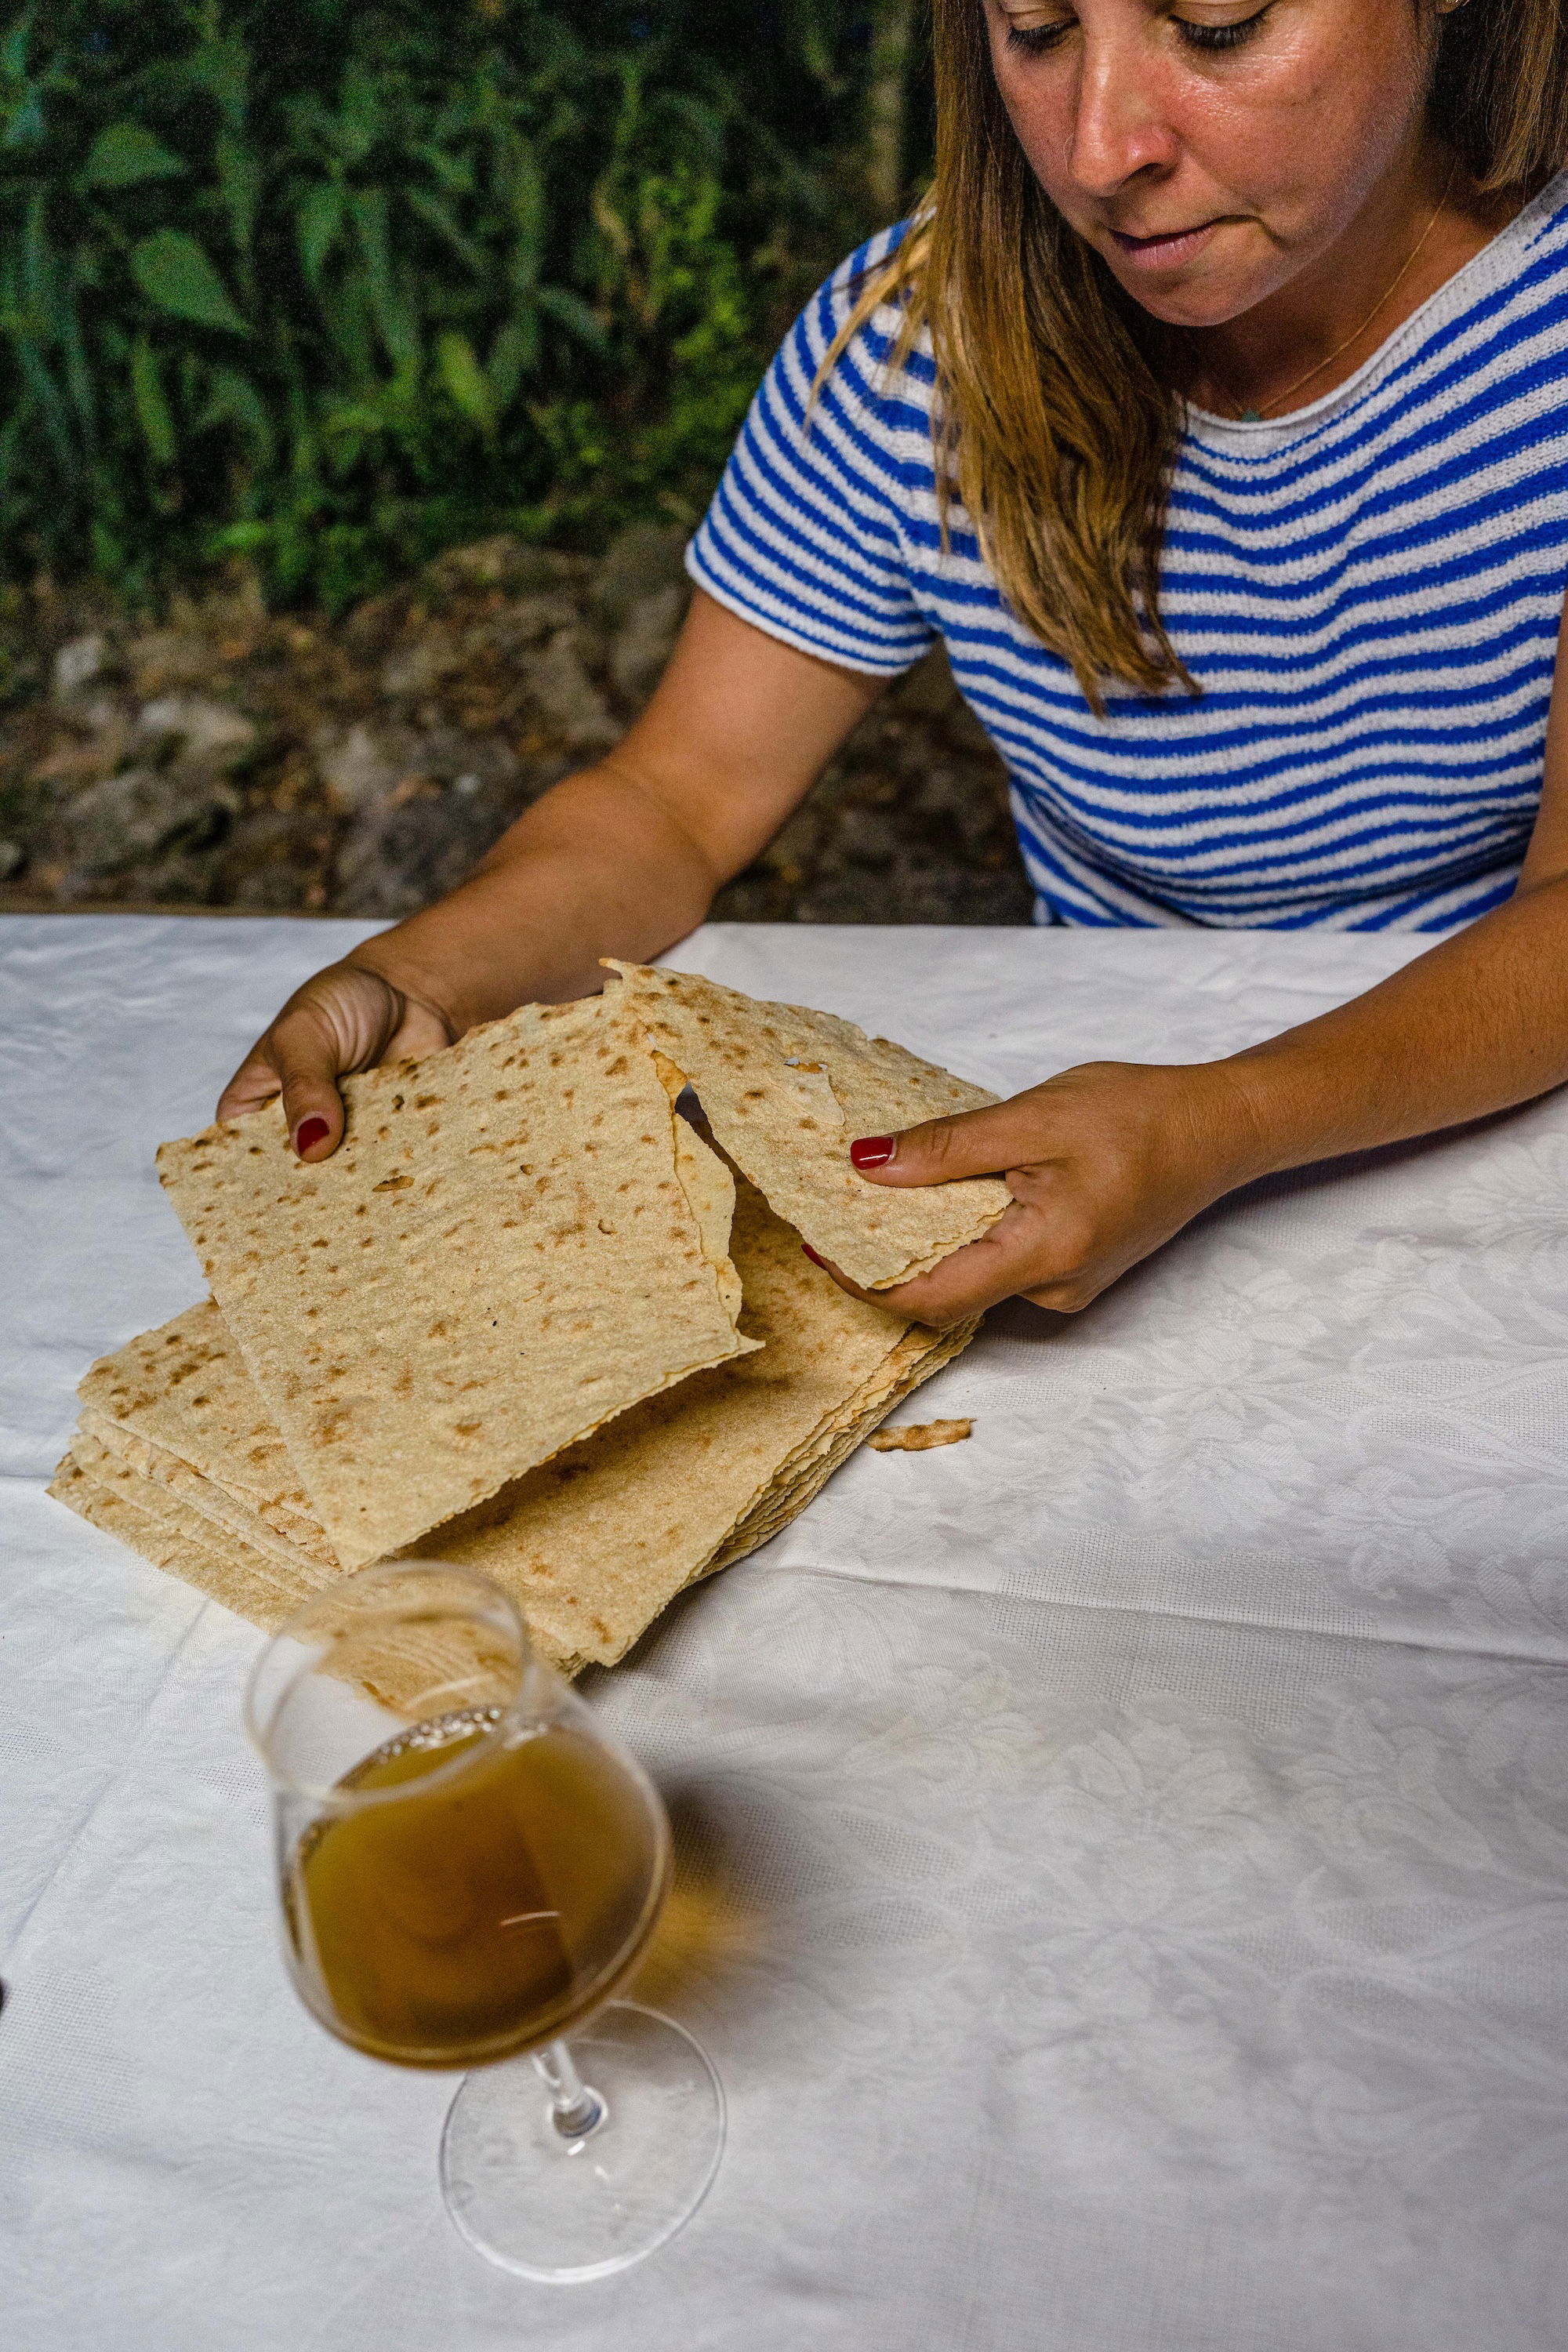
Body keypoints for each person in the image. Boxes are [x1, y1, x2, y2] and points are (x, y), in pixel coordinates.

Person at [219, 0, 1568, 1328]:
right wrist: (423, 978)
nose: (1102, 150)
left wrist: (1228, 1119)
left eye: (1213, 24)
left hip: (1495, 1149)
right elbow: (674, 802)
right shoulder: (916, 338)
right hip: (1094, 1135)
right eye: (1037, 31)